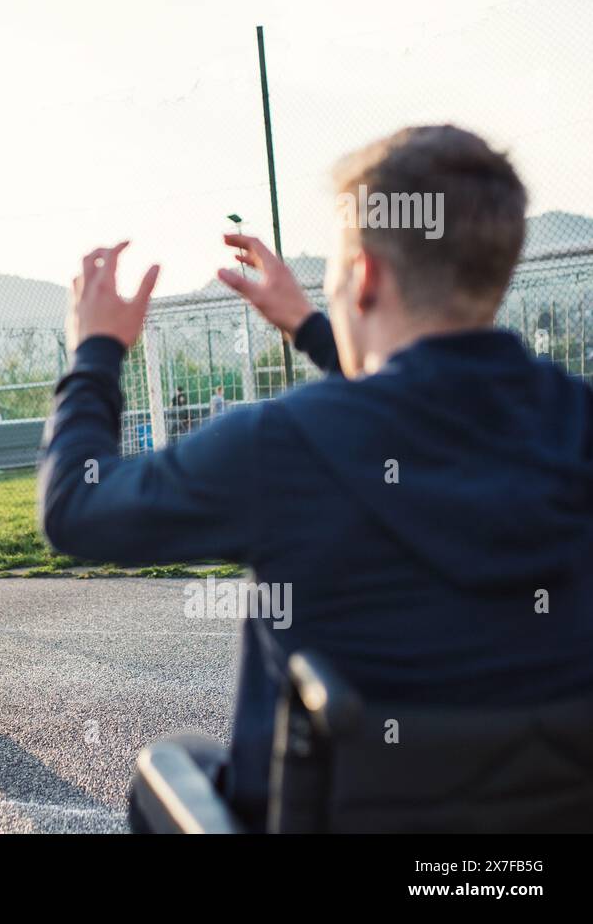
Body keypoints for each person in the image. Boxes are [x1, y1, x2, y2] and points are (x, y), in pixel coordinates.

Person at [37, 125, 593, 831]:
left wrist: (95, 355)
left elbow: (76, 506)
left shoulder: (278, 445)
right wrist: (307, 326)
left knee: (168, 769)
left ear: (363, 278)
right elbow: (423, 412)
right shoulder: (575, 424)